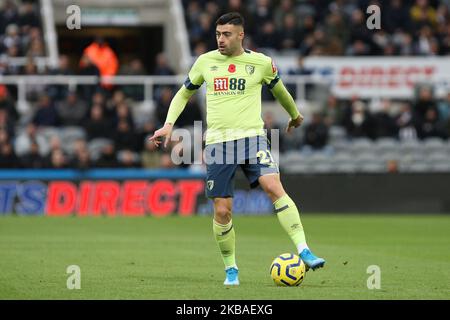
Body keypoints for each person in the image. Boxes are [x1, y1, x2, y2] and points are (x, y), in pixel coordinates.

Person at [149, 12, 325, 286]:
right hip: (219, 143)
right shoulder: (205, 62)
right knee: (222, 211)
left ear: (240, 35)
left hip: (252, 138)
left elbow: (279, 90)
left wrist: (294, 114)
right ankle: (231, 268)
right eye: (218, 34)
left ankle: (304, 249)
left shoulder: (261, 62)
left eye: (227, 34)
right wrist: (169, 125)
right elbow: (184, 92)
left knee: (273, 186)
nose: (221, 39)